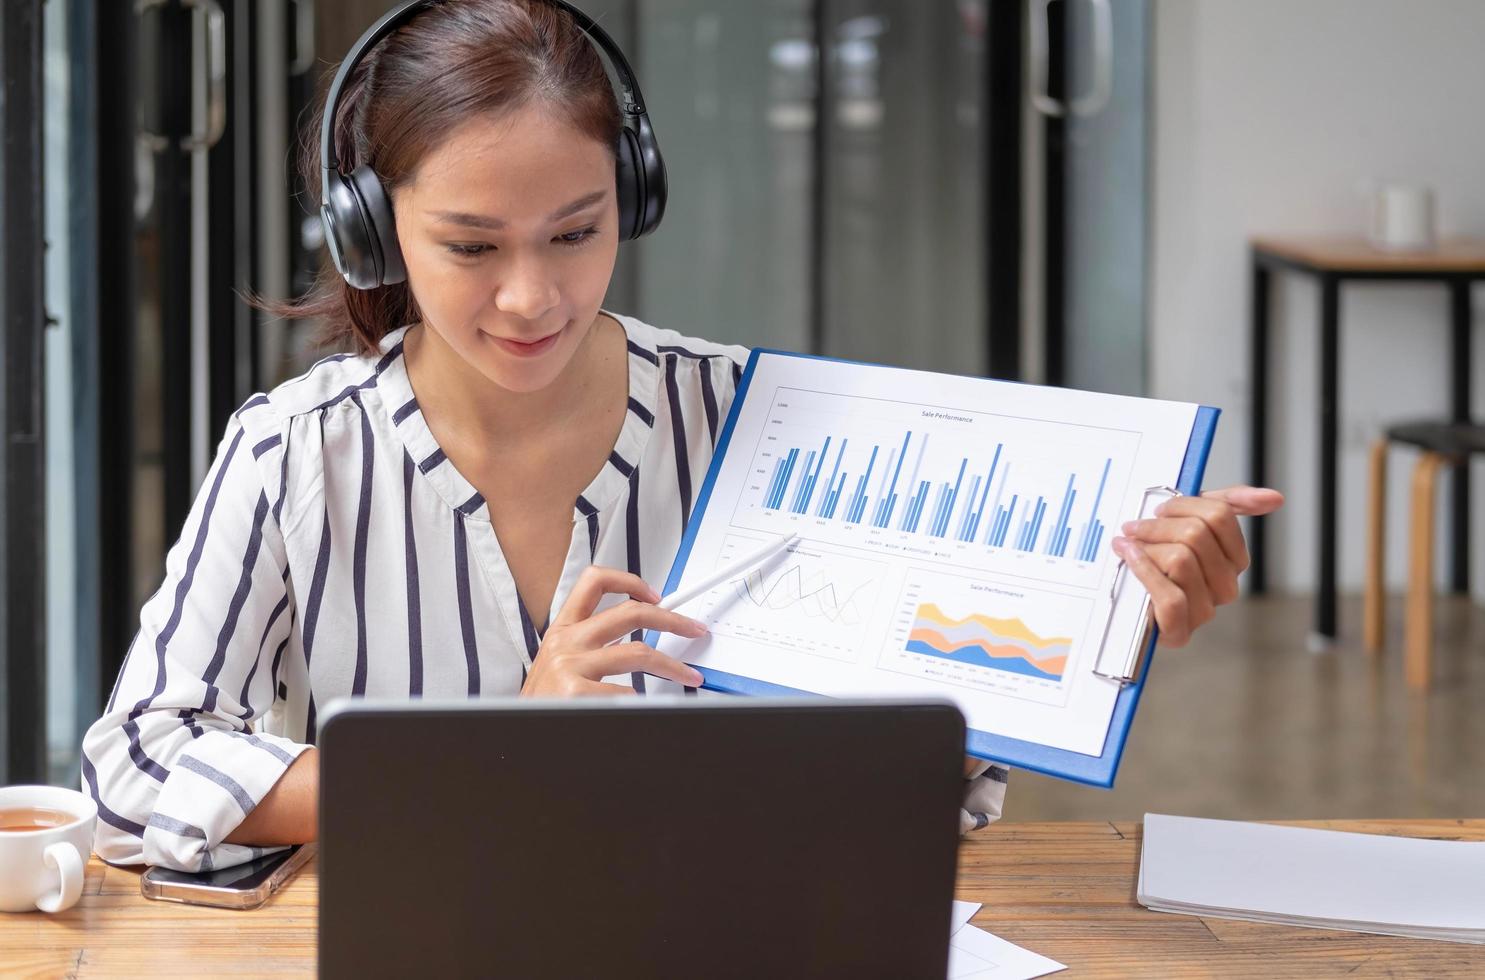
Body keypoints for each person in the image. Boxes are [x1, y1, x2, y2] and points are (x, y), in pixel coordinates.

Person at [82, 0, 1284, 871]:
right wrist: (495, 757)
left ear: (631, 199)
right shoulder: (299, 451)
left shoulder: (755, 423)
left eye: (575, 230)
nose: (531, 297)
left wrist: (1097, 626)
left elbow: (929, 779)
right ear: (370, 226)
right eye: (470, 245)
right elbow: (133, 760)